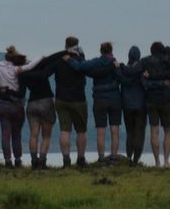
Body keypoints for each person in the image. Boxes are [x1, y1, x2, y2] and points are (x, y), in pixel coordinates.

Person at [0, 46, 43, 167]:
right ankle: (18, 159)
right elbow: (30, 66)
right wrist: (42, 57)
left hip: (3, 107)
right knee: (16, 135)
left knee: (5, 135)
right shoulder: (18, 70)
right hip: (17, 106)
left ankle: (8, 160)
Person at [69, 41, 122, 164]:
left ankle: (101, 158)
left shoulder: (96, 63)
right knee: (115, 130)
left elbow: (81, 67)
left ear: (101, 51)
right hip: (115, 98)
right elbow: (121, 77)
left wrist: (71, 60)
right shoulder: (115, 63)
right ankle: (114, 157)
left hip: (100, 99)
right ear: (111, 51)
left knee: (101, 131)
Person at [23, 50, 66, 168]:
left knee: (33, 134)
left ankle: (33, 160)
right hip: (46, 102)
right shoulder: (43, 71)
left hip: (32, 103)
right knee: (46, 136)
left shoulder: (24, 74)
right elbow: (51, 60)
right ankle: (42, 161)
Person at [51, 37, 89, 167]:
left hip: (61, 99)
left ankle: (66, 160)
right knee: (81, 130)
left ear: (65, 45)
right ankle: (81, 159)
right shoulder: (80, 60)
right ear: (77, 46)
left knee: (64, 130)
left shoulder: (58, 60)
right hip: (78, 99)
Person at [141, 42, 170, 168]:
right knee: (168, 131)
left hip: (151, 100)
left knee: (154, 131)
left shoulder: (146, 63)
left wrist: (152, 78)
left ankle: (157, 162)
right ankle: (166, 161)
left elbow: (144, 82)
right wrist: (162, 83)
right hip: (166, 99)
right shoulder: (168, 63)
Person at [118, 46, 148, 165]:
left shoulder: (123, 70)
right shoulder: (142, 70)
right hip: (141, 106)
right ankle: (136, 159)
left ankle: (129, 156)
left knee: (130, 132)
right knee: (139, 133)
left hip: (127, 106)